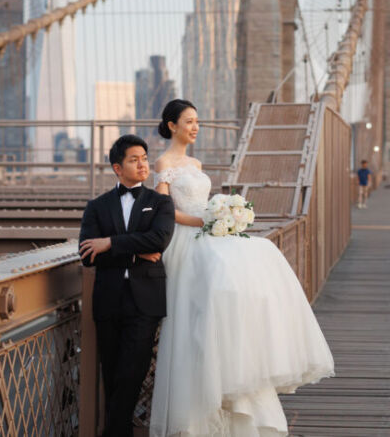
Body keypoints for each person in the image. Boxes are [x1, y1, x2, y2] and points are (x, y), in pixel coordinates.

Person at [150, 99, 334, 437]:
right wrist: (206, 220)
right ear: (172, 125)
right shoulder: (164, 162)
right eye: (189, 121)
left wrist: (223, 217)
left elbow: (203, 203)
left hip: (207, 231)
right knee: (215, 291)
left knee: (258, 258)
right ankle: (202, 406)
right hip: (189, 238)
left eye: (197, 121)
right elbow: (164, 210)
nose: (195, 127)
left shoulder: (195, 161)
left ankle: (235, 377)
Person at [78, 134, 175, 437]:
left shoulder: (159, 202)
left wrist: (110, 244)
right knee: (112, 373)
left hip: (144, 301)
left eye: (145, 158)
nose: (143, 164)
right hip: (108, 301)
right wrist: (135, 250)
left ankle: (113, 432)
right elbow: (87, 255)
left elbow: (160, 240)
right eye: (134, 159)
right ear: (117, 168)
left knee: (133, 372)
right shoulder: (97, 206)